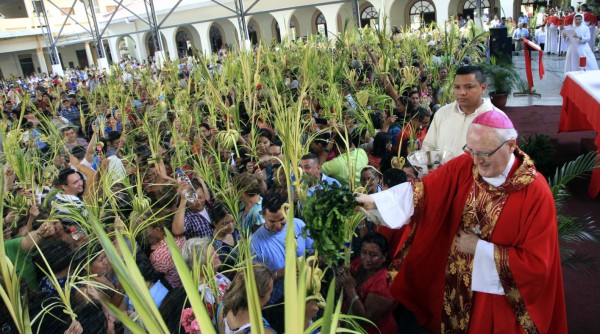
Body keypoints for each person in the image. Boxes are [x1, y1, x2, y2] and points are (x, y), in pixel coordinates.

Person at [356, 110, 567, 333]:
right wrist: (373, 203)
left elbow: (538, 265)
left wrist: (480, 249)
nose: (477, 161)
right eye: (472, 151)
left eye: (485, 153)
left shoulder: (535, 193)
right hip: (454, 286)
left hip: (496, 298)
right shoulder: (465, 166)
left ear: (511, 145)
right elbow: (422, 193)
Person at [422, 66, 503, 157]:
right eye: (457, 87)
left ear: (483, 88)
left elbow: (499, 158)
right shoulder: (442, 113)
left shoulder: (496, 118)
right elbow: (428, 147)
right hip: (442, 170)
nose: (462, 92)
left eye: (469, 87)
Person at [337, 233, 397, 334]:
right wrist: (341, 277)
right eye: (364, 252)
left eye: (373, 255)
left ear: (384, 256)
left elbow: (365, 320)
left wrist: (350, 289)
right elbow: (339, 288)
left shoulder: (384, 283)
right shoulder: (358, 264)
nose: (367, 258)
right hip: (348, 324)